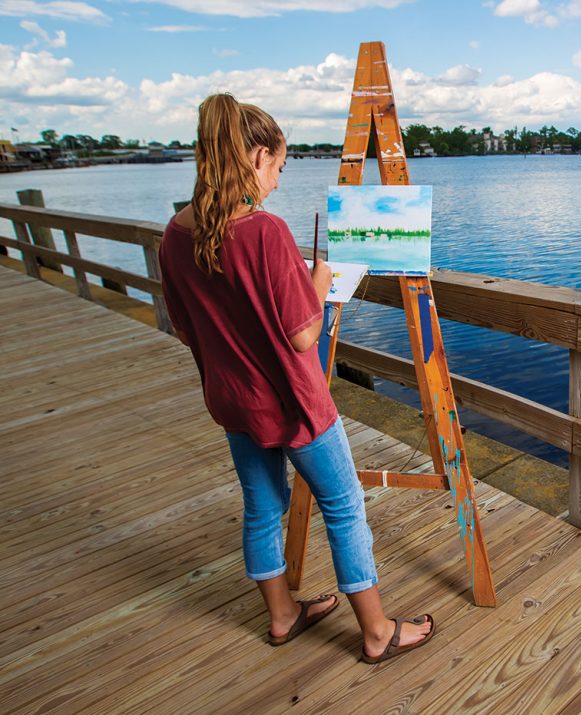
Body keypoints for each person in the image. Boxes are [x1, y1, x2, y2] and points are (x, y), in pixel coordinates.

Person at [159, 93, 435, 663]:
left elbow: (188, 329)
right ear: (257, 156)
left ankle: (282, 614)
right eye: (279, 168)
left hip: (233, 402)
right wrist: (320, 278)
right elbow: (303, 335)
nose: (278, 183)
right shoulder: (264, 232)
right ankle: (378, 631)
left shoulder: (175, 234)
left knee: (262, 507)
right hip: (294, 403)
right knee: (344, 503)